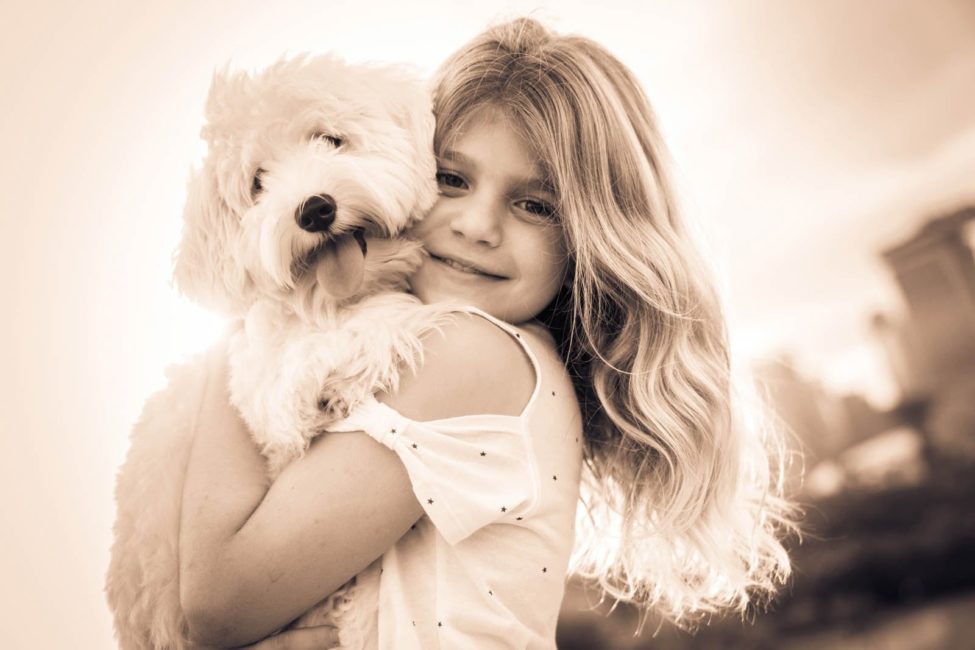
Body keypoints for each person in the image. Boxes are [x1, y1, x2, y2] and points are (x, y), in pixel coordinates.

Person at [178, 17, 795, 650]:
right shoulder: (506, 360)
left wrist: (252, 316)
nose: (477, 225)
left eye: (535, 205)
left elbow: (215, 605)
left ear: (589, 237)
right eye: (453, 179)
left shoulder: (467, 355)